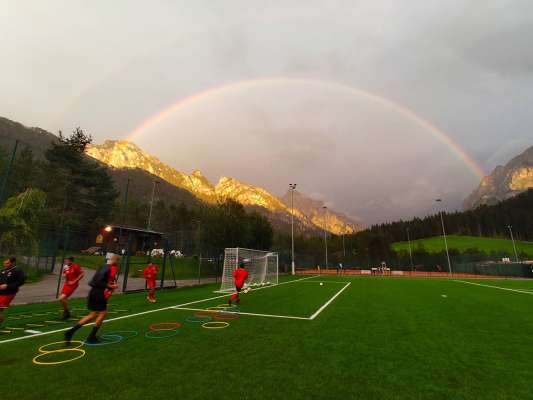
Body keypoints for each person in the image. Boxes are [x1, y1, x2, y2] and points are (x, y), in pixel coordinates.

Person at [64, 254, 120, 344]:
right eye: (117, 260)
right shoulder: (111, 268)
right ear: (114, 260)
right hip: (98, 292)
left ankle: (70, 332)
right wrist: (111, 285)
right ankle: (91, 337)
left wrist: (109, 285)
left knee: (92, 315)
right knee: (103, 313)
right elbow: (100, 282)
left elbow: (94, 281)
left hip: (93, 292)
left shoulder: (102, 266)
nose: (117, 262)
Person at [0, 257, 25, 326]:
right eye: (4, 263)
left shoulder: (18, 270)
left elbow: (21, 282)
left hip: (8, 293)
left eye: (7, 263)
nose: (5, 264)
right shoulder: (3, 270)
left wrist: (8, 286)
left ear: (12, 263)